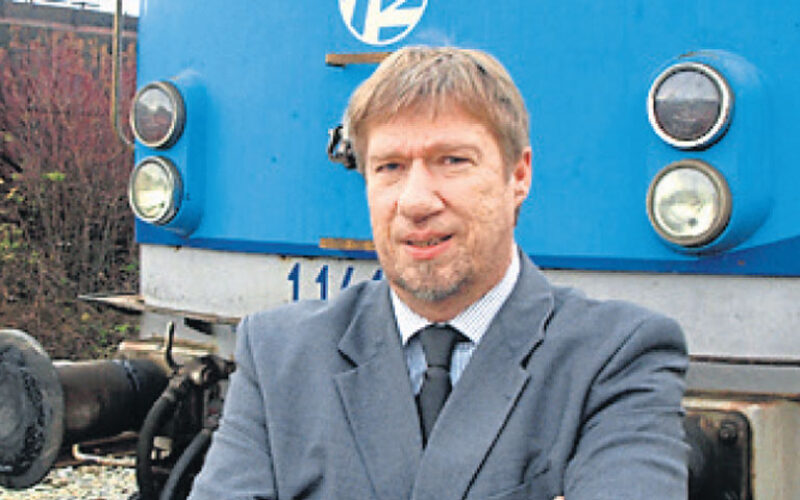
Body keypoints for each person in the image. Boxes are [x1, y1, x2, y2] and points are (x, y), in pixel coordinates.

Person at [188, 46, 688, 500]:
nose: (416, 201)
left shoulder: (617, 357)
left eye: (452, 160)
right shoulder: (278, 355)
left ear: (518, 175)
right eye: (389, 167)